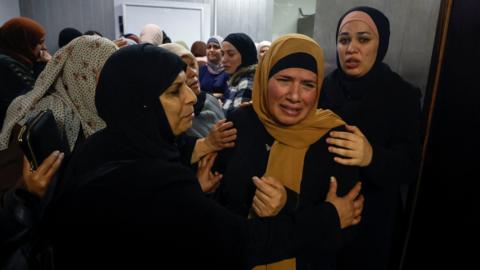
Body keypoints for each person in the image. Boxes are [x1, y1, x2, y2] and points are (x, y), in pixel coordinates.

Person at [44, 44, 363, 270]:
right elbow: (237, 243)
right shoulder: (162, 176)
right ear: (139, 102)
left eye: (308, 84)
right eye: (173, 91)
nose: (192, 98)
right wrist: (327, 217)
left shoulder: (101, 146)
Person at [213, 33, 363, 269]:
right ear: (264, 78)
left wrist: (289, 204)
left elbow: (347, 229)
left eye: (308, 84)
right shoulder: (241, 122)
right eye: (284, 79)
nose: (295, 96)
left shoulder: (335, 136)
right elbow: (218, 204)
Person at [318, 6, 422, 270]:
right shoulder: (322, 88)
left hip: (372, 221)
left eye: (363, 39)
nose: (351, 48)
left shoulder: (402, 95)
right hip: (321, 210)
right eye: (344, 40)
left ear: (381, 44)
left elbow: (409, 166)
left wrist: (371, 156)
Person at [0, 35, 117, 200]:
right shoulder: (41, 115)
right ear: (81, 73)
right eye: (104, 75)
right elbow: (7, 187)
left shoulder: (94, 109)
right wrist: (28, 191)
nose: (114, 84)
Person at [160, 43, 230, 139]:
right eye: (182, 68)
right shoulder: (171, 117)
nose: (193, 73)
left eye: (193, 65)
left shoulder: (209, 99)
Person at [0, 17, 51, 128]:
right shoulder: (6, 64)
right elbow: (38, 99)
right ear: (23, 42)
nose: (44, 48)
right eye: (40, 43)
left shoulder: (16, 60)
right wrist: (46, 65)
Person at [221, 33, 257, 115]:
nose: (224, 59)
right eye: (222, 54)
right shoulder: (238, 78)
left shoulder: (247, 81)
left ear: (245, 56)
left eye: (231, 54)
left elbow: (235, 119)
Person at [199, 36, 229, 100]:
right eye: (209, 47)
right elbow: (196, 93)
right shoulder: (201, 70)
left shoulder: (228, 70)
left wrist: (203, 95)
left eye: (216, 47)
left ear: (222, 51)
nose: (211, 50)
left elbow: (227, 96)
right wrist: (214, 95)